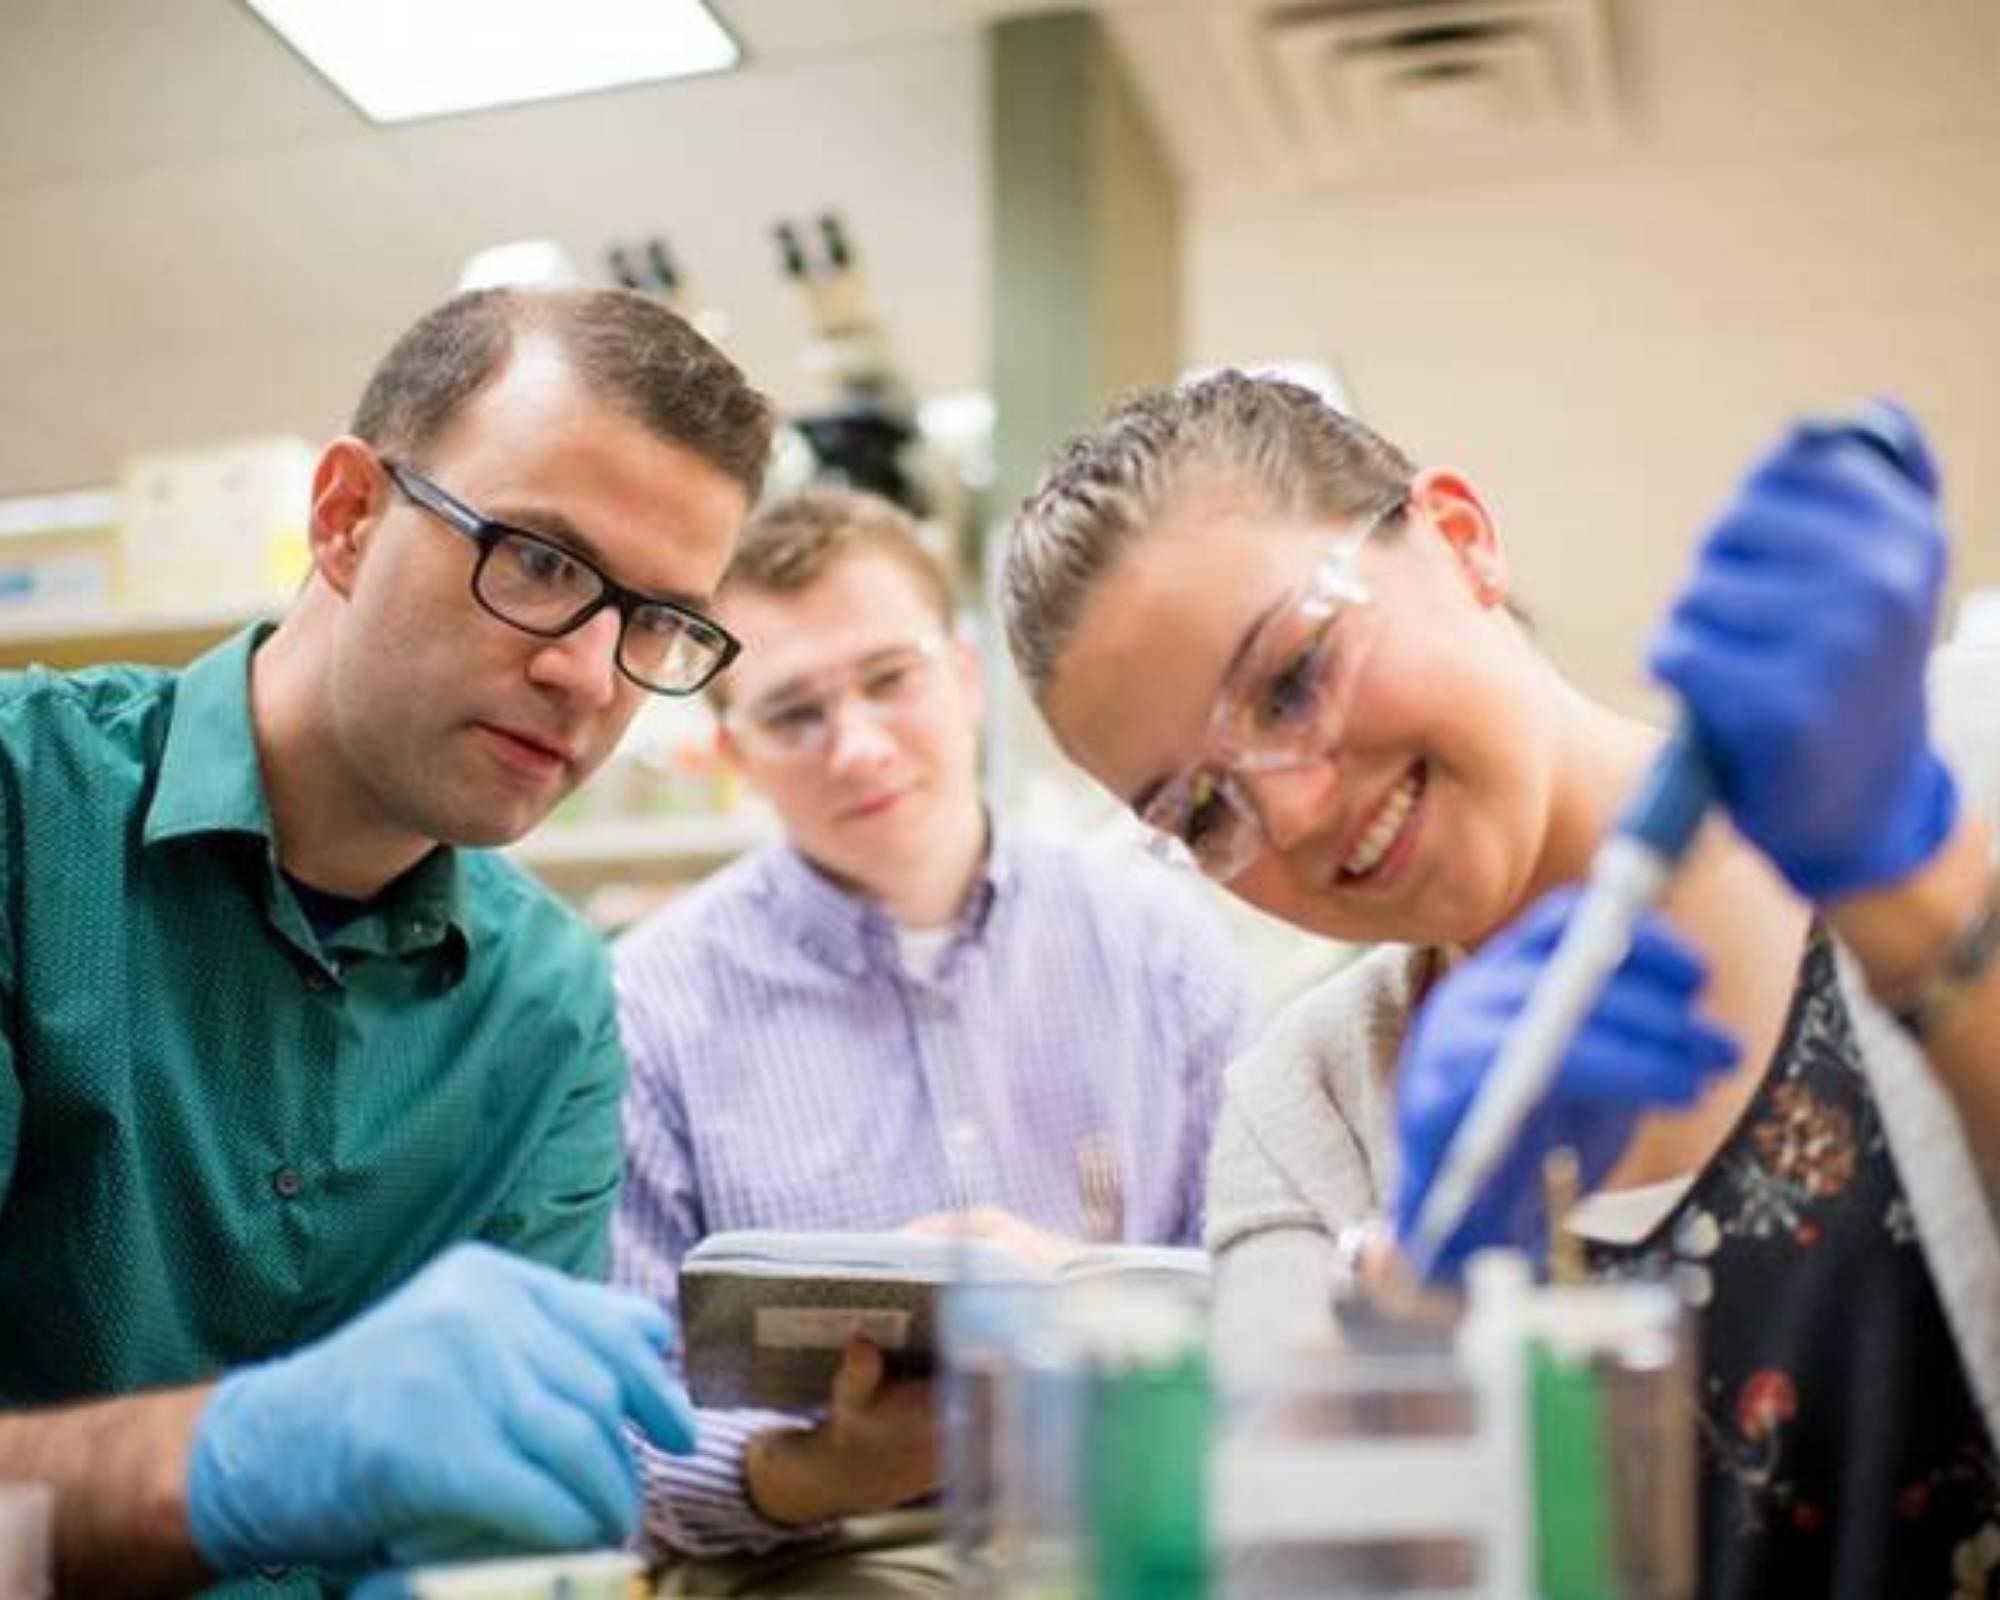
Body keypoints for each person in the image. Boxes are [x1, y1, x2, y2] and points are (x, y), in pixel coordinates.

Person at [1002, 374, 1999, 1596]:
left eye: (1293, 676)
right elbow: (1270, 1578)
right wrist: (1413, 1300)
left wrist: (1925, 911)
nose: (1297, 807)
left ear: (1460, 540)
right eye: (1203, 808)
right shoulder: (1307, 1107)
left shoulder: (1950, 807)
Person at [0, 285, 776, 1597]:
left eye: (654, 623)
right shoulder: (26, 816)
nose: (591, 678)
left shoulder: (551, 1004)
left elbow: (489, 1550)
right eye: (539, 560)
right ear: (348, 518)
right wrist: (224, 1465)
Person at [611, 487, 1251, 1590]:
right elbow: (613, 1421)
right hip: (813, 1556)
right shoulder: (647, 1006)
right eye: (793, 713)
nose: (856, 747)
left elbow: (1273, 1303)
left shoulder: (1162, 950)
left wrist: (1098, 1304)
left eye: (888, 679)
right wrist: (818, 1466)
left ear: (962, 674)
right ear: (734, 748)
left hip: (1131, 1525)